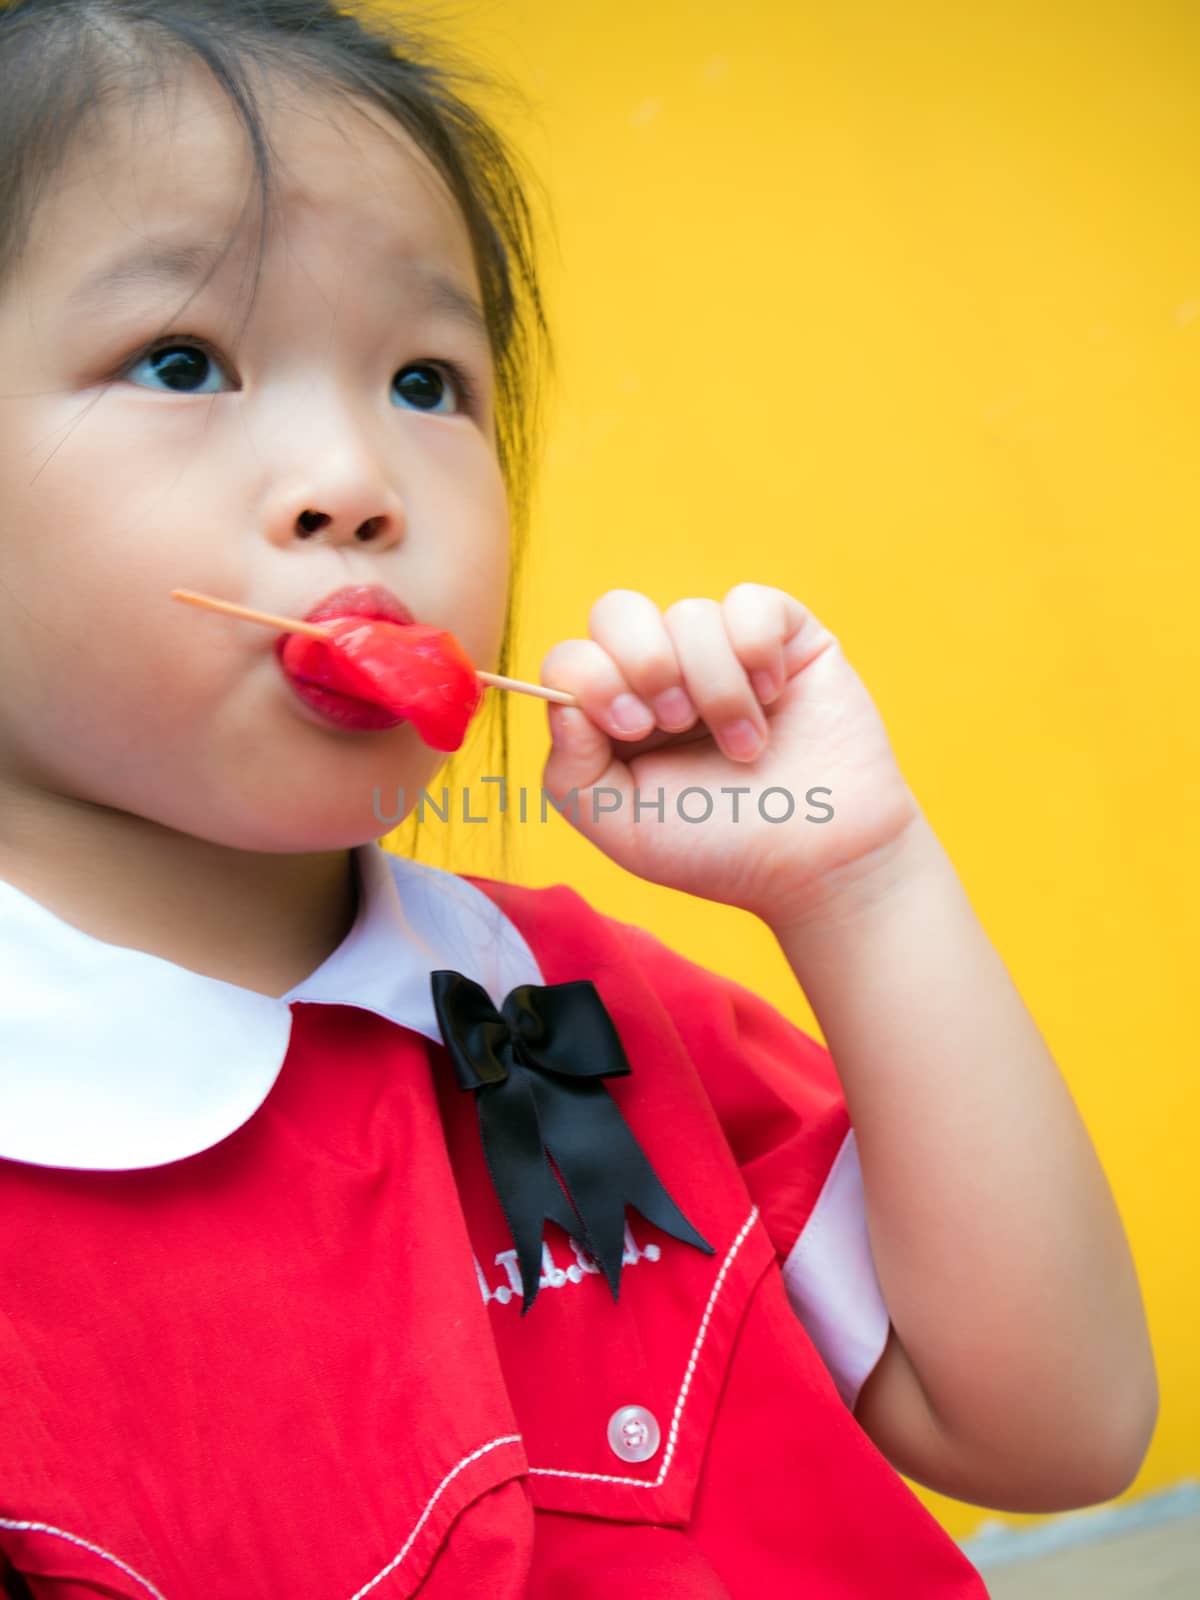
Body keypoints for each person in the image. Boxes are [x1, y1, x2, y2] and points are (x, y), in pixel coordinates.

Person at [0, 1, 1158, 1595]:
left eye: (426, 380)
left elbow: (1059, 1434)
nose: (358, 482)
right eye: (183, 360)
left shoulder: (578, 1000)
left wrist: (861, 884)